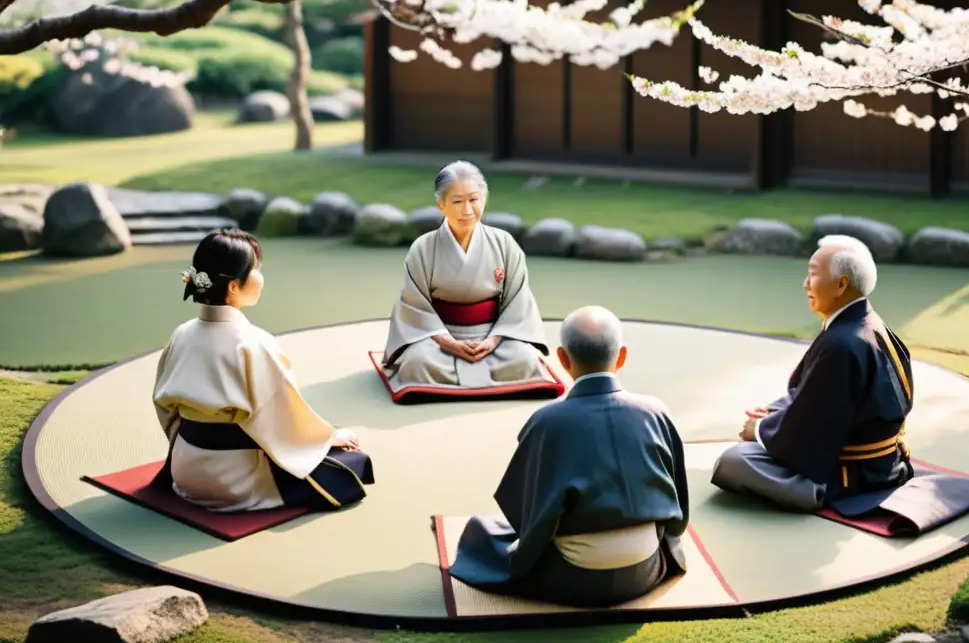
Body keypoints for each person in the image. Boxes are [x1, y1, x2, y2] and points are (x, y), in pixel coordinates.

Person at [448, 306, 689, 608]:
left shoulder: (547, 421)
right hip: (647, 568)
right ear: (622, 356)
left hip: (574, 577)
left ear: (561, 359)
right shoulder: (656, 412)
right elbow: (678, 510)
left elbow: (532, 516)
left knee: (482, 532)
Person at [152, 229, 373, 512]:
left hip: (185, 471)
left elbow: (165, 408)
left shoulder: (180, 334)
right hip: (236, 480)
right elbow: (282, 417)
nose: (260, 276)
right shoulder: (254, 342)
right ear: (233, 286)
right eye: (255, 268)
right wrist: (328, 439)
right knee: (354, 464)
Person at [710, 234, 914, 512]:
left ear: (841, 284)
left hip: (852, 473)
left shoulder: (842, 344)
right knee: (763, 432)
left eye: (813, 275)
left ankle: (817, 491)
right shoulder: (867, 323)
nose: (806, 283)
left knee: (733, 461)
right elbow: (817, 398)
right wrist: (774, 416)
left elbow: (812, 434)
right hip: (879, 459)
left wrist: (759, 430)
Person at [382, 160, 551, 393]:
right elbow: (414, 307)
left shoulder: (504, 244)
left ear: (484, 199)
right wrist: (449, 342)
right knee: (417, 363)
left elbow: (518, 302)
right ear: (441, 205)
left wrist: (492, 341)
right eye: (457, 201)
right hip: (438, 339)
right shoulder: (423, 248)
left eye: (474, 199)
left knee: (525, 359)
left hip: (495, 337)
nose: (467, 210)